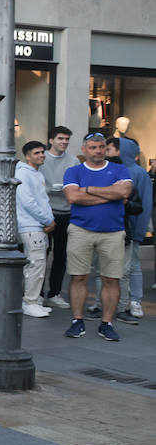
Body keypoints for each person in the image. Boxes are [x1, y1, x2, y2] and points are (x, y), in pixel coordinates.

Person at [63, 132, 133, 342]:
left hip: (113, 232)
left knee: (111, 279)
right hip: (80, 230)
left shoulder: (119, 169)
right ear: (84, 150)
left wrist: (89, 190)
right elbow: (73, 197)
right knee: (78, 276)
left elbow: (124, 193)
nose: (98, 151)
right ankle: (77, 320)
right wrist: (110, 194)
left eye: (101, 147)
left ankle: (107, 323)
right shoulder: (73, 170)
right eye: (93, 147)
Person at [16, 141, 56, 318]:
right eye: (36, 153)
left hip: (36, 225)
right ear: (27, 155)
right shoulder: (24, 173)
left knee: (38, 264)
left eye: (42, 152)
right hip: (31, 225)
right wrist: (47, 219)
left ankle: (32, 301)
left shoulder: (34, 173)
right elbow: (28, 202)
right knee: (36, 264)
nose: (41, 155)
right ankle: (29, 302)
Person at [115, 137, 151, 323]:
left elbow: (144, 201)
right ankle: (120, 301)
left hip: (133, 227)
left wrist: (139, 230)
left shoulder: (139, 173)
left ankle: (135, 300)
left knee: (134, 266)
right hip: (117, 227)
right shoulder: (115, 169)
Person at [40, 126, 77, 308]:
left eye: (67, 139)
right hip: (45, 212)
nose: (64, 142)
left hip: (66, 212)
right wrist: (50, 189)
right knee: (41, 254)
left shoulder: (73, 160)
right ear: (51, 140)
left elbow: (77, 184)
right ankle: (37, 294)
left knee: (61, 255)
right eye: (61, 139)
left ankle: (54, 293)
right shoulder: (41, 157)